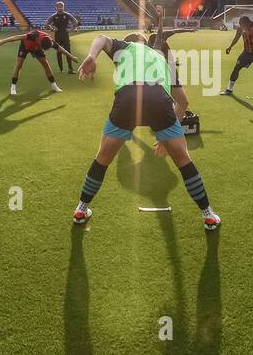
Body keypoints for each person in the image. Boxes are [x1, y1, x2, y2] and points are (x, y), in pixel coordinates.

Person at [72, 34, 220, 230]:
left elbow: (101, 38)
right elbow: (183, 102)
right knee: (184, 162)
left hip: (127, 98)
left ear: (132, 41)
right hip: (159, 100)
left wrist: (92, 56)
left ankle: (81, 209)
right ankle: (208, 214)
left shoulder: (127, 47)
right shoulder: (164, 59)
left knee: (102, 160)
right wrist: (167, 136)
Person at [0, 27, 75, 96]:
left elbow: (60, 49)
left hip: (36, 47)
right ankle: (13, 86)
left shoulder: (49, 41)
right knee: (19, 65)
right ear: (41, 43)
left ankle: (53, 85)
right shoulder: (34, 35)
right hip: (25, 46)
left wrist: (71, 57)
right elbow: (17, 37)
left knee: (46, 64)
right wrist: (3, 41)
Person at [147, 4, 194, 117]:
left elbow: (175, 30)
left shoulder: (163, 35)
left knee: (176, 97)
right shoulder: (152, 47)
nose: (160, 42)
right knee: (168, 93)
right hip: (163, 70)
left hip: (170, 67)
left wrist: (188, 30)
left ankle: (171, 111)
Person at [44, 1, 80, 75]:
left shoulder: (67, 15)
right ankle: (61, 69)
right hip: (57, 36)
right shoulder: (54, 16)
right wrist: (52, 29)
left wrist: (71, 29)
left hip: (65, 35)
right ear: (56, 8)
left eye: (62, 7)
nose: (60, 8)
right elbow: (46, 23)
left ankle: (70, 69)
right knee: (59, 52)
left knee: (68, 51)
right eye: (59, 7)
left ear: (63, 7)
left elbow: (75, 22)